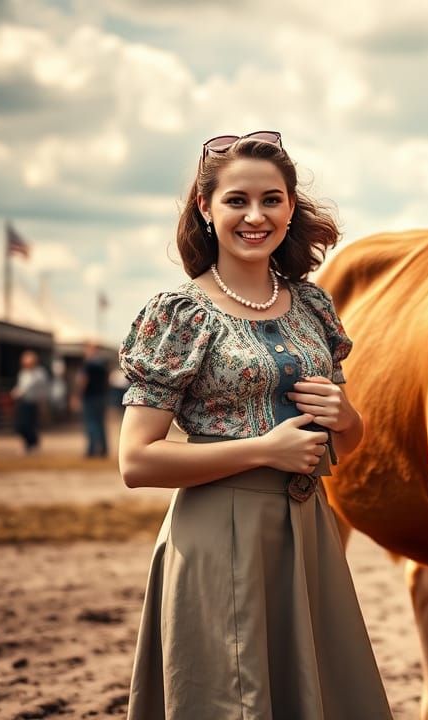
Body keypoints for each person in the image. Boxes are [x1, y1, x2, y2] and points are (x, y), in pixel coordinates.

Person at [118, 132, 391, 719]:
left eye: (271, 199)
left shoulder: (313, 306)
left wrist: (347, 418)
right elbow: (136, 462)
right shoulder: (179, 315)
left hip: (310, 533)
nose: (255, 215)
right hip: (218, 538)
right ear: (205, 207)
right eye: (236, 200)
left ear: (291, 207)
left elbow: (347, 439)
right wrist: (263, 450)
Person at [73, 342, 109, 457]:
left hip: (90, 397)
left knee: (91, 424)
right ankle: (103, 449)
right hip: (102, 397)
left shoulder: (88, 364)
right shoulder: (103, 364)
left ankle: (92, 450)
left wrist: (77, 396)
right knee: (100, 424)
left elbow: (83, 381)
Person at [10, 350, 49, 454]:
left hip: (33, 402)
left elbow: (39, 388)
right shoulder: (23, 373)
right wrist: (15, 392)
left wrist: (43, 402)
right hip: (23, 402)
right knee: (21, 425)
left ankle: (33, 445)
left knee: (31, 425)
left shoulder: (39, 373)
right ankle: (26, 445)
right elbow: (20, 386)